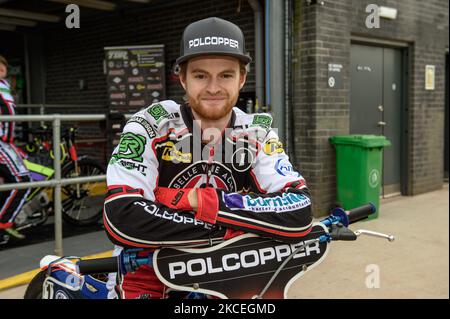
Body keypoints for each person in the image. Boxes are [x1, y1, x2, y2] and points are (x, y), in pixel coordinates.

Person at [103, 17, 313, 299]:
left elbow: (299, 212)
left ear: (242, 79)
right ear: (183, 78)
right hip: (148, 273)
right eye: (201, 75)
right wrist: (234, 231)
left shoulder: (257, 131)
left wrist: (200, 201)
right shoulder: (151, 124)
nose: (213, 88)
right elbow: (122, 215)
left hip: (225, 272)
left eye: (225, 75)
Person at [0, 54, 30, 241]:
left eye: (2, 64)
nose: (0, 67)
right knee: (23, 181)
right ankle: (3, 224)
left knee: (13, 182)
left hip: (6, 141)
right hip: (1, 141)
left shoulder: (5, 87)